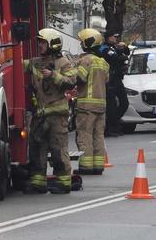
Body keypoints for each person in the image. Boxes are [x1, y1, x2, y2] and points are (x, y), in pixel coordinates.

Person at [27, 28, 80, 194]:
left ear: (52, 44)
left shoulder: (64, 63)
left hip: (57, 115)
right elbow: (17, 65)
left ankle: (63, 182)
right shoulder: (36, 62)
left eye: (43, 43)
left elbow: (72, 81)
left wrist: (53, 75)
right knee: (37, 149)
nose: (40, 45)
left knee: (58, 150)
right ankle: (38, 182)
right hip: (40, 115)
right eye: (39, 42)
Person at [72, 29, 110, 175]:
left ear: (88, 43)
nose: (81, 44)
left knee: (85, 135)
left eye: (82, 42)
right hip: (101, 105)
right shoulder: (103, 62)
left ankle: (86, 166)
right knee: (98, 135)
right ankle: (98, 165)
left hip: (86, 106)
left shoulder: (86, 60)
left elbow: (79, 78)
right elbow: (106, 80)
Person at [99, 32, 129, 137]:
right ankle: (110, 128)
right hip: (110, 80)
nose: (116, 38)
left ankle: (114, 123)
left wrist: (125, 48)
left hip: (117, 79)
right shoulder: (104, 49)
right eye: (114, 37)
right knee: (111, 106)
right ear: (108, 38)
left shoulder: (114, 48)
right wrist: (124, 58)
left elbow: (125, 53)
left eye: (116, 37)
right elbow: (115, 59)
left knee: (124, 103)